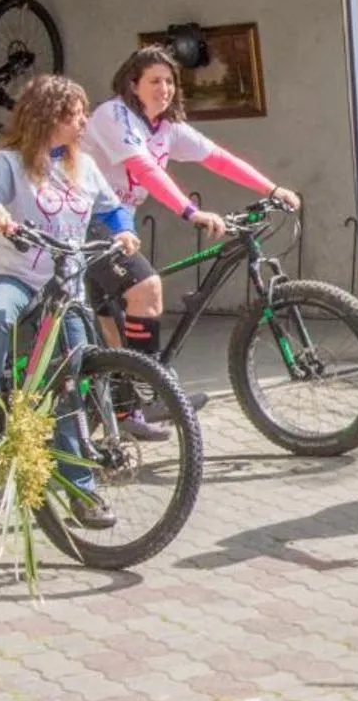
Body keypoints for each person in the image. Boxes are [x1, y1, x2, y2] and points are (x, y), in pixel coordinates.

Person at [80, 44, 300, 437]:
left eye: (169, 81)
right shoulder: (113, 116)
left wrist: (272, 188)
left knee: (112, 323)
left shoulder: (166, 128)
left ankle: (127, 412)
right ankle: (151, 392)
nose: (163, 89)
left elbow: (217, 158)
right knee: (146, 289)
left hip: (119, 224)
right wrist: (189, 211)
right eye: (154, 81)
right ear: (133, 84)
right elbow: (143, 169)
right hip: (85, 220)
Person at [0, 74, 136, 530]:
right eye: (74, 115)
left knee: (68, 386)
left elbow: (111, 207)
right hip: (15, 275)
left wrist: (124, 230)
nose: (82, 123)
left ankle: (80, 490)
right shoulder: (10, 162)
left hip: (66, 290)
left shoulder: (85, 166)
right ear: (47, 118)